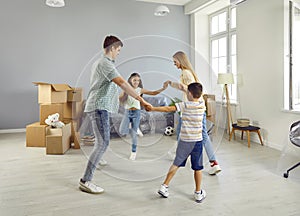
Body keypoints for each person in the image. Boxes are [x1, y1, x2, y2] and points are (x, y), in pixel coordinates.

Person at [79, 35, 152, 194]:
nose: (119, 53)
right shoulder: (106, 64)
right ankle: (86, 180)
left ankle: (96, 161)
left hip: (99, 106)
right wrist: (141, 99)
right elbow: (122, 83)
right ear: (112, 48)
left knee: (101, 143)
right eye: (118, 50)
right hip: (99, 107)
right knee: (103, 144)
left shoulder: (99, 63)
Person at [148, 82, 206, 203]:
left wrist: (153, 108)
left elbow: (168, 108)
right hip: (197, 142)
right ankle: (198, 193)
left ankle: (164, 186)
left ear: (189, 93)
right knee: (198, 168)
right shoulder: (202, 104)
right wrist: (189, 90)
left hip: (185, 141)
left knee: (176, 163)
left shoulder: (184, 105)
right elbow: (195, 94)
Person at [167, 51, 222, 175]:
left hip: (192, 109)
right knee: (184, 131)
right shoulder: (186, 73)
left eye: (175, 61)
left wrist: (179, 86)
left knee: (200, 134)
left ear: (180, 60)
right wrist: (172, 84)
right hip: (193, 108)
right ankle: (177, 153)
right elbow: (186, 87)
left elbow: (192, 89)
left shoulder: (186, 73)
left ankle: (213, 162)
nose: (174, 64)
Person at [119, 72, 169, 160]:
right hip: (127, 112)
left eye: (138, 80)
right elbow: (120, 99)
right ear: (130, 80)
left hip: (136, 112)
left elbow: (153, 93)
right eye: (134, 80)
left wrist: (163, 89)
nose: (136, 82)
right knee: (122, 131)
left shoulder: (140, 90)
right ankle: (133, 126)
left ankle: (133, 152)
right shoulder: (126, 89)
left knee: (134, 134)